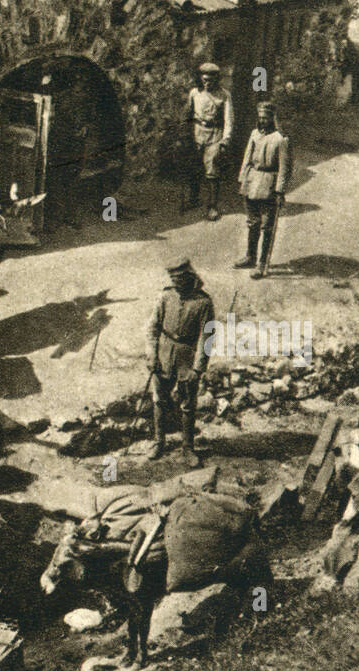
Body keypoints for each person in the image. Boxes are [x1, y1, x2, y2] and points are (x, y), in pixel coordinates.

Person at [146, 258, 214, 463]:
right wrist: (152, 355)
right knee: (159, 399)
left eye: (179, 281)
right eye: (173, 281)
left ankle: (188, 447)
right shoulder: (166, 296)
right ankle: (159, 442)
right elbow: (152, 328)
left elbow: (207, 336)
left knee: (188, 403)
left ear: (189, 278)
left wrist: (198, 368)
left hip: (187, 357)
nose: (176, 285)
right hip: (164, 354)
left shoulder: (203, 302)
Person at [235, 101, 291, 279]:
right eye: (260, 118)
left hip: (268, 185)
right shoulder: (254, 134)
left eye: (266, 118)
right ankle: (250, 256)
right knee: (252, 223)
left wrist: (280, 191)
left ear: (272, 119)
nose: (262, 121)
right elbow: (247, 158)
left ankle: (262, 263)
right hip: (252, 182)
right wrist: (242, 180)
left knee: (267, 226)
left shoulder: (281, 139)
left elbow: (284, 168)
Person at [185, 63, 233, 221]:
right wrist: (185, 134)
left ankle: (212, 205)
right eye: (205, 80)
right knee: (193, 166)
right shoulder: (194, 93)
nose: (208, 83)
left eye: (211, 80)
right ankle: (193, 199)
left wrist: (225, 139)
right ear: (201, 79)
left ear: (217, 80)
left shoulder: (224, 95)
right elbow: (188, 114)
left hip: (215, 135)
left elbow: (229, 119)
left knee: (212, 169)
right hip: (197, 133)